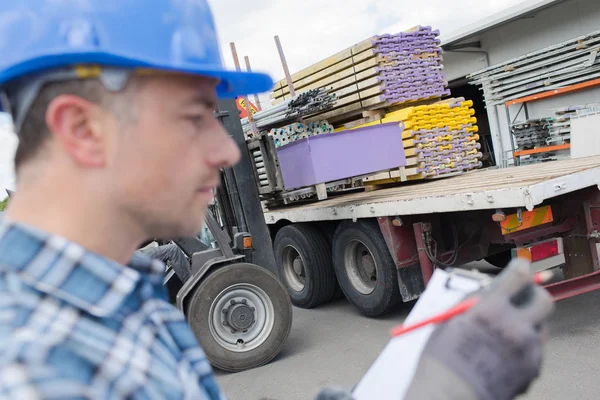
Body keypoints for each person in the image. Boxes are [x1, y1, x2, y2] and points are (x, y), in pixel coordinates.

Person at [0, 1, 554, 399]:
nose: (225, 150)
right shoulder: (32, 371)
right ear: (83, 130)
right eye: (194, 117)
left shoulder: (129, 301)